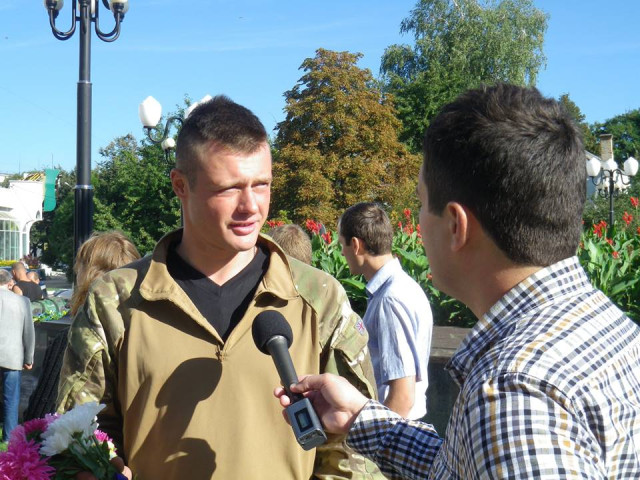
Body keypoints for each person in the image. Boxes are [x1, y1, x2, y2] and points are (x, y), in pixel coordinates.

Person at [275, 84, 640, 478]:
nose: (416, 221)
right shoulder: (610, 328)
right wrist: (361, 418)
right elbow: (469, 465)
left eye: (421, 202)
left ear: (455, 225)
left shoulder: (513, 395)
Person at [57, 95, 382, 480]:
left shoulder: (319, 299)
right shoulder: (115, 301)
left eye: (261, 185)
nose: (251, 206)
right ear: (181, 185)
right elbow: (77, 439)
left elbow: (354, 454)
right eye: (229, 188)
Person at [24, 231, 141, 425]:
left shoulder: (73, 338)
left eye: (78, 268)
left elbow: (40, 418)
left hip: (87, 440)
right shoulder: (148, 336)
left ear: (87, 276)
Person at [338, 202, 432, 419]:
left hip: (397, 425)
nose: (341, 252)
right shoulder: (404, 287)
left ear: (356, 245)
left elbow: (402, 397)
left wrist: (380, 436)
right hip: (405, 424)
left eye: (342, 244)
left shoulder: (389, 299)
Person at [0, 269, 35, 442]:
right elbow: (29, 331)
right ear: (9, 283)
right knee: (11, 399)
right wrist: (29, 357)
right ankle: (9, 438)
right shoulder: (22, 301)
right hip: (12, 356)